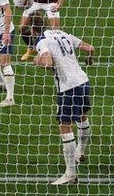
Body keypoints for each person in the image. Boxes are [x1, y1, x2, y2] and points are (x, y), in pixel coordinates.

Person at [34, 29, 94, 185]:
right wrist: (90, 59)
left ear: (33, 31)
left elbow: (48, 63)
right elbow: (90, 48)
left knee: (64, 126)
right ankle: (80, 152)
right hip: (83, 81)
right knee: (81, 115)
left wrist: (37, 60)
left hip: (68, 87)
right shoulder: (63, 34)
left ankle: (70, 174)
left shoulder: (42, 41)